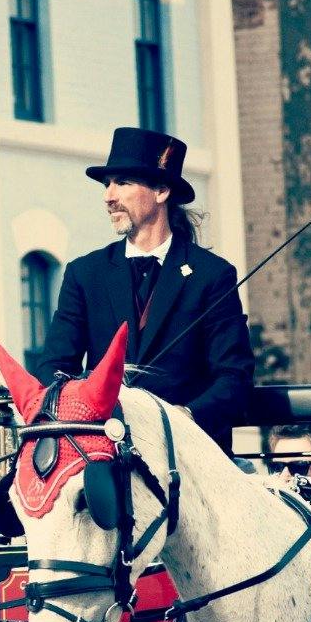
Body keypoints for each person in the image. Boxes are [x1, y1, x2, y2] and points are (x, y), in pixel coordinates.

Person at [36, 127, 254, 448]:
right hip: (105, 450)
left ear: (162, 191)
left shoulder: (213, 275)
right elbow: (52, 369)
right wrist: (84, 406)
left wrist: (186, 416)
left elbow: (234, 378)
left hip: (187, 455)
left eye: (122, 183)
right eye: (107, 184)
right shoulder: (84, 274)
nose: (108, 196)